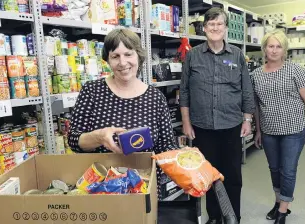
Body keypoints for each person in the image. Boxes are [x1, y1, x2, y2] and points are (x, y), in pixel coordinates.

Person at [68, 28, 177, 198]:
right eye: (115, 56)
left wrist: (185, 159)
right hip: (99, 190)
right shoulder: (91, 91)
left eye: (128, 54)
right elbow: (74, 140)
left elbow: (167, 146)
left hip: (142, 189)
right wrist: (99, 137)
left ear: (138, 56)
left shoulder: (155, 97)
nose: (122, 62)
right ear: (107, 60)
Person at [179, 7, 255, 224]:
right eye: (210, 24)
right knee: (208, 175)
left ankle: (234, 216)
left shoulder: (237, 55)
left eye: (219, 24)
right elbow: (184, 91)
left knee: (232, 175)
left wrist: (247, 119)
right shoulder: (193, 56)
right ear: (204, 28)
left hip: (231, 124)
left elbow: (246, 89)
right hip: (202, 126)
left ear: (226, 28)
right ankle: (214, 216)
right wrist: (185, 121)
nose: (215, 28)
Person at [251, 30, 305, 224]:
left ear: (284, 49)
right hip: (269, 130)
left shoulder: (296, 70)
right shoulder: (256, 74)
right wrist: (259, 130)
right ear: (264, 48)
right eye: (270, 46)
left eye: (278, 46)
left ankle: (282, 210)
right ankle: (278, 201)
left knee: (287, 170)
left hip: (294, 130)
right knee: (274, 169)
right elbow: (256, 105)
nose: (274, 50)